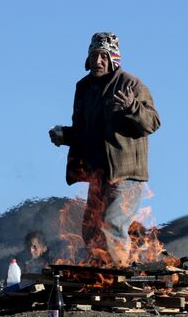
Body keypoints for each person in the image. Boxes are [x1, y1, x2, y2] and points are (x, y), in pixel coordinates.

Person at [49, 32, 161, 267]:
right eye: (94, 55)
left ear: (113, 59)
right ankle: (96, 276)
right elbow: (83, 130)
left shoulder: (131, 84)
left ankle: (118, 276)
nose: (98, 61)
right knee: (90, 230)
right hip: (98, 174)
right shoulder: (83, 88)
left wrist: (132, 106)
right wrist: (65, 135)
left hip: (126, 175)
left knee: (112, 224)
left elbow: (153, 123)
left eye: (104, 56)